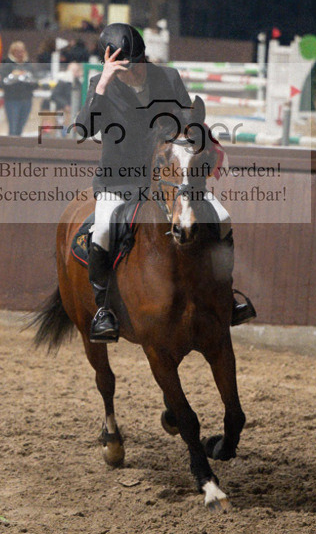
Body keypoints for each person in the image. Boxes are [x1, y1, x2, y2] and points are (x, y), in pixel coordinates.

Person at [78, 22, 255, 343]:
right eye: (121, 69)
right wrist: (103, 81)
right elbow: (83, 130)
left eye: (134, 65)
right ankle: (104, 309)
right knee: (102, 230)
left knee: (223, 219)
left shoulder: (168, 78)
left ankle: (227, 296)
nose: (130, 73)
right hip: (119, 180)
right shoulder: (101, 85)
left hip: (168, 178)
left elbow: (189, 121)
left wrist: (201, 144)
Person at [2, 40, 36, 136]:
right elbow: (3, 82)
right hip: (12, 99)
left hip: (26, 99)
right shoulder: (7, 65)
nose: (20, 54)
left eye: (22, 51)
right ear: (13, 52)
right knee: (13, 127)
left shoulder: (28, 65)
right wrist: (13, 77)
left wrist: (28, 78)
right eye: (17, 51)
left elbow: (35, 83)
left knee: (21, 126)